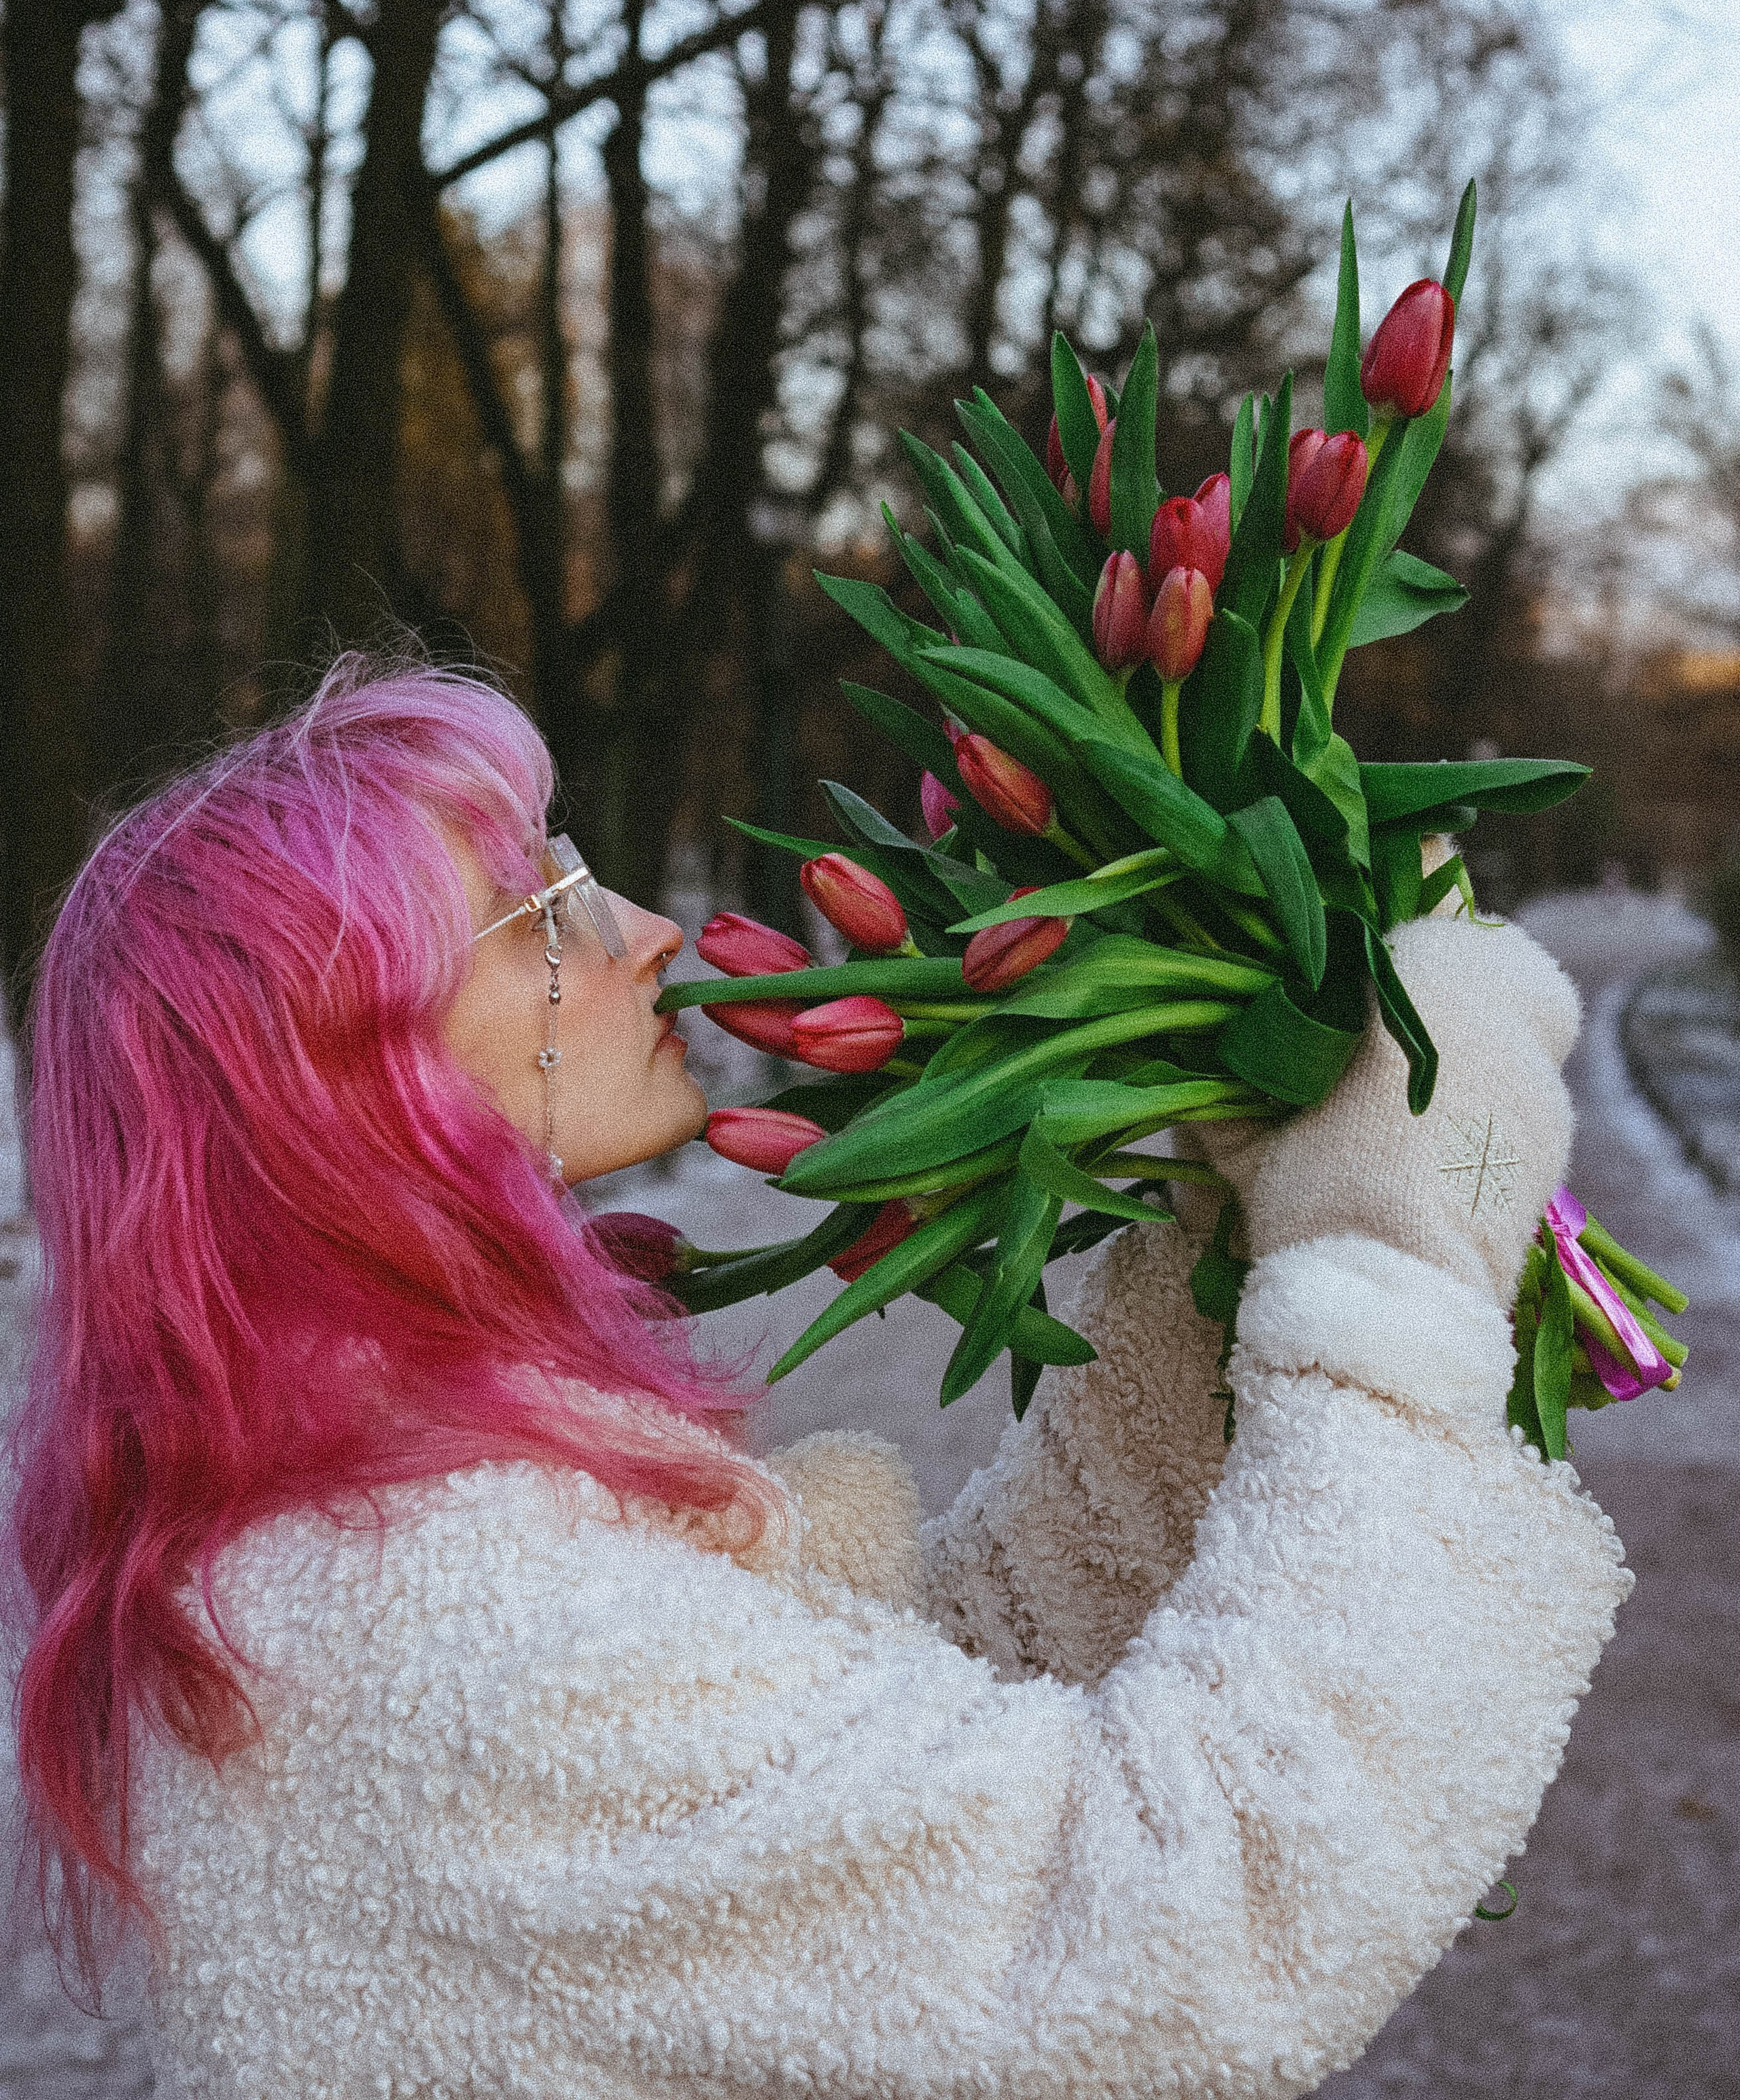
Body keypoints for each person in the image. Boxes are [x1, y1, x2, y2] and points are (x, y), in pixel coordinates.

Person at [1, 654, 1629, 2100]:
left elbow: (910, 1748)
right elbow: (1175, 1917)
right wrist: (1394, 1257)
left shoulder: (358, 1540)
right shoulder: (482, 1646)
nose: (638, 932)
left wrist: (1210, 1284)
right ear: (331, 1081)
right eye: (536, 914)